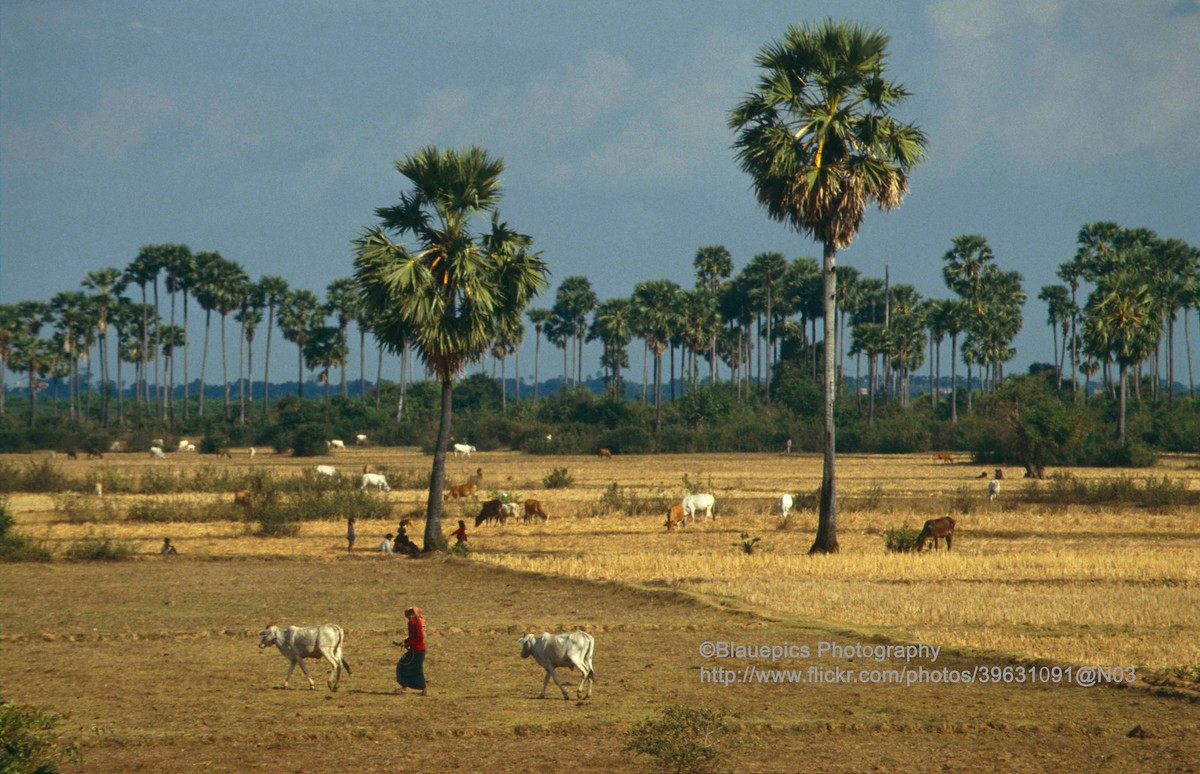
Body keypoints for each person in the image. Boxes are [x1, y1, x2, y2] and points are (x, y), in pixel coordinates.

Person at [393, 606, 427, 695]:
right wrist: (404, 642)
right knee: (403, 666)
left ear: (413, 615)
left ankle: (423, 689)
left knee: (416, 669)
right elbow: (412, 637)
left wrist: (408, 643)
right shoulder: (411, 623)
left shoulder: (415, 623)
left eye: (410, 615)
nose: (409, 617)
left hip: (418, 651)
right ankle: (404, 686)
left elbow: (420, 638)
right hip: (415, 650)